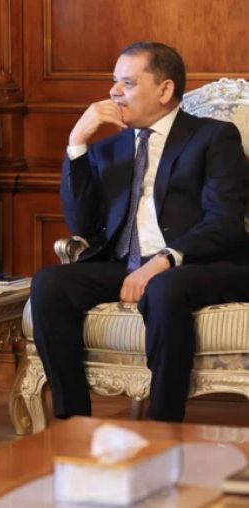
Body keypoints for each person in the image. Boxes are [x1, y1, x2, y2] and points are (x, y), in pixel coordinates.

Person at [30, 41, 249, 424]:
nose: (114, 92)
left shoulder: (214, 137)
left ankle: (163, 425)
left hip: (200, 265)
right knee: (50, 283)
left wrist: (164, 260)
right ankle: (74, 421)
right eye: (114, 82)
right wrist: (77, 143)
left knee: (164, 288)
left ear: (164, 90)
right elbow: (83, 226)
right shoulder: (109, 149)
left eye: (127, 83)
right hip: (125, 263)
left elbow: (225, 220)